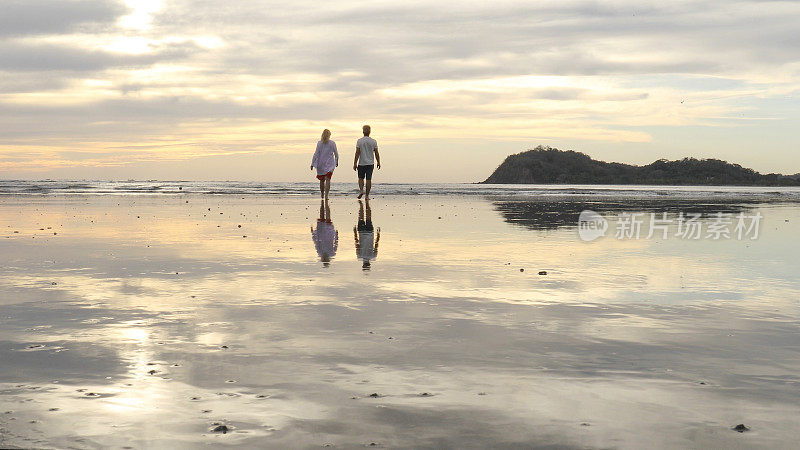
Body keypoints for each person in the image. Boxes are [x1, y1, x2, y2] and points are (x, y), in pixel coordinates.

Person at [353, 125, 380, 199]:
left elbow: (357, 153)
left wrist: (355, 163)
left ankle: (361, 190)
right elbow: (376, 153)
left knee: (360, 178)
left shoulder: (359, 141)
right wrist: (378, 162)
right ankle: (367, 195)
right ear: (370, 132)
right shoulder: (373, 141)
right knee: (369, 179)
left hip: (361, 163)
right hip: (370, 163)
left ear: (363, 132)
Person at [311, 129, 338, 199]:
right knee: (328, 179)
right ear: (329, 135)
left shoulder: (319, 143)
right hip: (329, 164)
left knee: (322, 180)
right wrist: (336, 162)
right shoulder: (332, 143)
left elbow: (316, 154)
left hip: (321, 164)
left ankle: (322, 195)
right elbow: (336, 154)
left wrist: (312, 163)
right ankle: (326, 196)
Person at [354, 199, 380, 270]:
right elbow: (357, 244)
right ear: (363, 264)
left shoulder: (373, 257)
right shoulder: (359, 256)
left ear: (369, 264)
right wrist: (355, 233)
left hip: (370, 232)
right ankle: (361, 205)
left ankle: (367, 203)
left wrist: (378, 234)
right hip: (361, 232)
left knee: (369, 217)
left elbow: (376, 244)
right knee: (361, 217)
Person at [311, 199, 338, 267]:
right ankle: (325, 204)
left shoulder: (320, 253)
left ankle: (324, 204)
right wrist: (337, 235)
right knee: (327, 218)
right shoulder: (331, 254)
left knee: (322, 217)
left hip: (322, 233)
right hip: (328, 234)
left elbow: (316, 243)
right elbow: (336, 244)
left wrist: (313, 233)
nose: (325, 258)